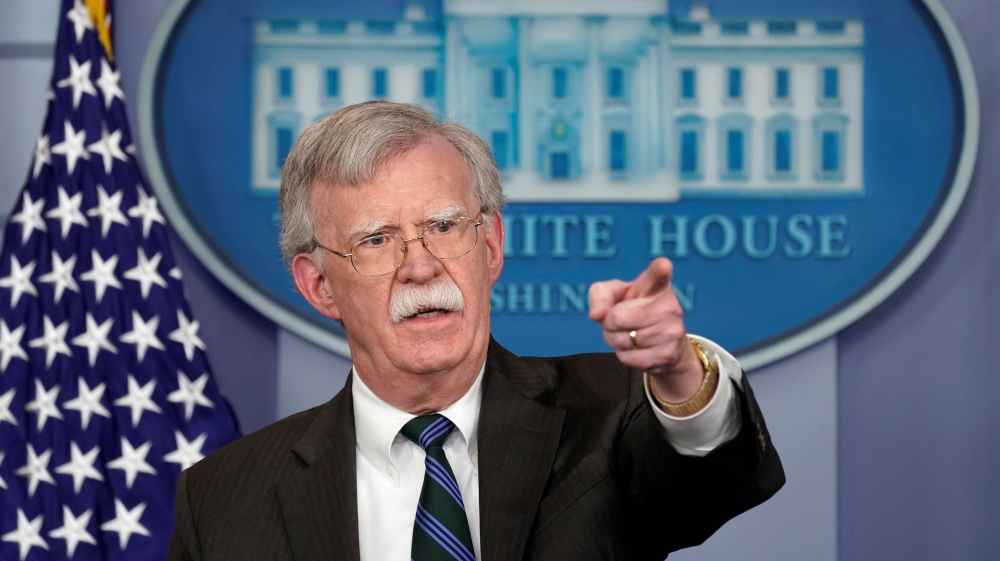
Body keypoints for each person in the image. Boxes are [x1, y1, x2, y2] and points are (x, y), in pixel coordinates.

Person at [168, 101, 784, 561]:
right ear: (319, 285)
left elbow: (713, 486)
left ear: (490, 246)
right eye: (377, 240)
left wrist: (677, 375)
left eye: (443, 225)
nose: (420, 265)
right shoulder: (222, 501)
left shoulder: (610, 412)